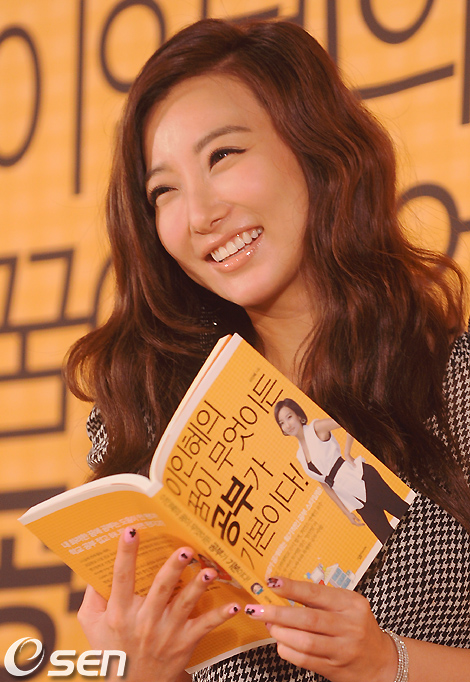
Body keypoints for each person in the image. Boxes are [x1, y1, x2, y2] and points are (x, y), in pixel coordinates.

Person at [64, 17, 470, 682]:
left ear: (315, 149)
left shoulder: (452, 382)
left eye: (222, 156)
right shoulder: (143, 422)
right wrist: (134, 670)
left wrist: (386, 663)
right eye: (163, 190)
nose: (200, 214)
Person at [274, 398, 410, 543]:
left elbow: (347, 421)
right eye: (282, 423)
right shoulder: (300, 456)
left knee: (404, 513)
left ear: (299, 416)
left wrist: (347, 452)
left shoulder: (316, 428)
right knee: (389, 541)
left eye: (289, 417)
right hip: (354, 499)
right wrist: (346, 512)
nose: (287, 425)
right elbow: (325, 484)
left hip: (363, 479)